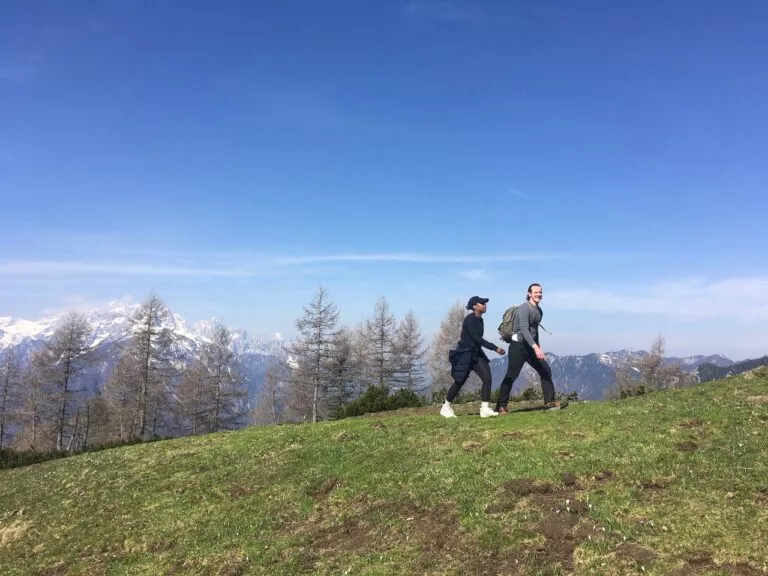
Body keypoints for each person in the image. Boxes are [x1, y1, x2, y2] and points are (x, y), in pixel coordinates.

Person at [495, 283, 568, 413]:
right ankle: (501, 406)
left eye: (540, 292)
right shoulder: (524, 308)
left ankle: (549, 402)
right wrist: (536, 348)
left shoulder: (539, 311)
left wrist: (538, 346)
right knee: (511, 375)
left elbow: (534, 331)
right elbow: (524, 329)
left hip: (531, 346)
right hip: (519, 346)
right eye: (536, 292)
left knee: (545, 370)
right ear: (529, 294)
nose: (539, 294)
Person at [441, 296, 506, 418]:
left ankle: (485, 409)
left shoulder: (480, 320)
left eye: (485, 303)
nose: (485, 305)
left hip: (476, 353)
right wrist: (495, 348)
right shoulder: (470, 320)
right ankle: (446, 407)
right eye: (482, 303)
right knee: (460, 381)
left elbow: (477, 341)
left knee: (487, 377)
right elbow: (477, 338)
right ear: (474, 306)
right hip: (465, 353)